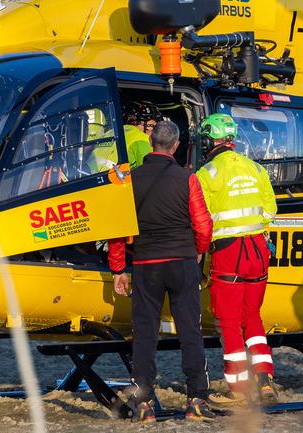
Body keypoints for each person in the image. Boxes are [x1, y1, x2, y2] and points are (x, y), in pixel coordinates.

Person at [108, 120, 214, 422]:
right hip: (181, 262)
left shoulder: (130, 180)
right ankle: (196, 400)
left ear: (150, 142)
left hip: (145, 265)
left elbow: (118, 229)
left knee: (144, 335)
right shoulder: (187, 178)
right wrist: (197, 250)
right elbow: (203, 224)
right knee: (190, 332)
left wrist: (119, 268)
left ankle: (144, 405)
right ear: (176, 146)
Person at [195, 113, 278, 406]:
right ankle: (265, 379)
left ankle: (239, 387)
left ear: (209, 139)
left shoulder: (206, 174)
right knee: (252, 317)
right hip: (257, 249)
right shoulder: (256, 168)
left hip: (229, 253)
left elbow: (201, 222)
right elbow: (270, 211)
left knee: (229, 322)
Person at [86, 102, 157, 173]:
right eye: (152, 125)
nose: (154, 130)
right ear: (141, 122)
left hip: (90, 177)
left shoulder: (111, 133)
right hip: (114, 180)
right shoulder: (141, 138)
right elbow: (151, 172)